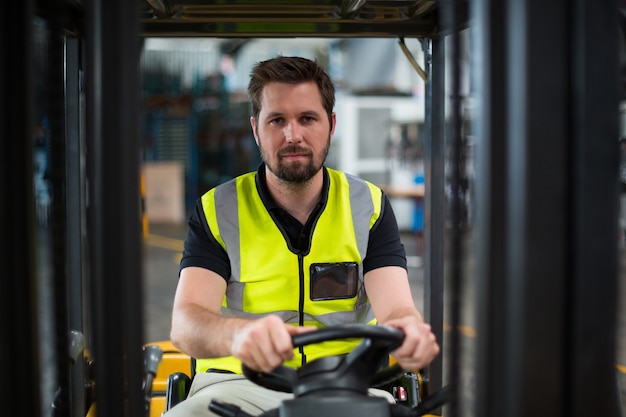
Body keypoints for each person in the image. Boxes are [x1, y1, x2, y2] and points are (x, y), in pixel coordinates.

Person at [165, 56, 439, 417]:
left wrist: (408, 331)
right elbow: (185, 325)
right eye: (277, 120)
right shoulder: (218, 209)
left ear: (331, 125)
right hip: (239, 386)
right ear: (255, 129)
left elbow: (398, 309)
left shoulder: (368, 206)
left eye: (307, 118)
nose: (293, 135)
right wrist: (238, 336)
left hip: (349, 384)